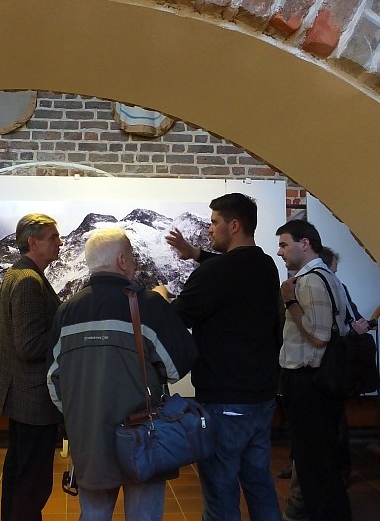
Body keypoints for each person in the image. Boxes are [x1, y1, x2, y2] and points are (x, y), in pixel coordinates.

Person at [47, 227, 198, 520]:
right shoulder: (149, 304)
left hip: (89, 437)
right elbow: (177, 366)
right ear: (121, 260)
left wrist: (80, 416)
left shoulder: (66, 310)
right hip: (143, 436)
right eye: (131, 257)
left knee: (94, 515)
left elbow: (54, 381)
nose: (134, 263)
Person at [155, 193, 283, 521]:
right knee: (260, 484)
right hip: (262, 397)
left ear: (234, 225)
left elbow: (177, 317)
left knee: (221, 491)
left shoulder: (218, 271)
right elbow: (233, 268)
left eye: (214, 222)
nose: (209, 229)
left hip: (224, 400)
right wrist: (196, 254)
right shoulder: (266, 265)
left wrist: (160, 298)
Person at [276, 219, 353, 521]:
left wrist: (289, 301)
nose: (280, 251)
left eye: (284, 244)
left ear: (304, 244)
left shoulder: (309, 281)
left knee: (313, 464)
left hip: (309, 380)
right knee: (321, 461)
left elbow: (318, 337)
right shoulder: (329, 277)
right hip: (320, 381)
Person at [0, 213, 64, 521]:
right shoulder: (29, 281)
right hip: (33, 397)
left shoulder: (20, 274)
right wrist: (67, 335)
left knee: (21, 472)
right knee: (32, 481)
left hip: (23, 393)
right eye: (53, 237)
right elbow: (30, 345)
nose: (60, 242)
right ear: (33, 243)